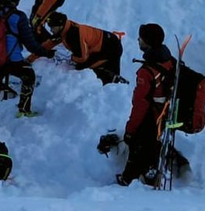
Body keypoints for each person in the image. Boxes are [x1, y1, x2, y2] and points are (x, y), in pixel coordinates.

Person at [117, 24, 187, 187]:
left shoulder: (147, 72)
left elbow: (140, 104)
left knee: (136, 143)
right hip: (165, 113)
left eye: (141, 38)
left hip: (151, 116)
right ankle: (149, 172)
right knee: (152, 145)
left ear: (147, 42)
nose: (138, 40)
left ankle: (130, 179)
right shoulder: (169, 60)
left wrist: (130, 130)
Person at [0, 0, 54, 121]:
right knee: (29, 76)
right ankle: (24, 109)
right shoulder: (19, 17)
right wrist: (46, 52)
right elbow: (30, 44)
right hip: (12, 60)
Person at [44, 12, 124, 84]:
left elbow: (82, 58)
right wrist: (39, 52)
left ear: (60, 25)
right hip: (109, 41)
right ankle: (114, 80)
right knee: (90, 65)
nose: (51, 30)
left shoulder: (73, 35)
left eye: (52, 27)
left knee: (84, 66)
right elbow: (51, 42)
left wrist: (72, 58)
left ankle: (111, 81)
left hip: (112, 48)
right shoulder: (67, 27)